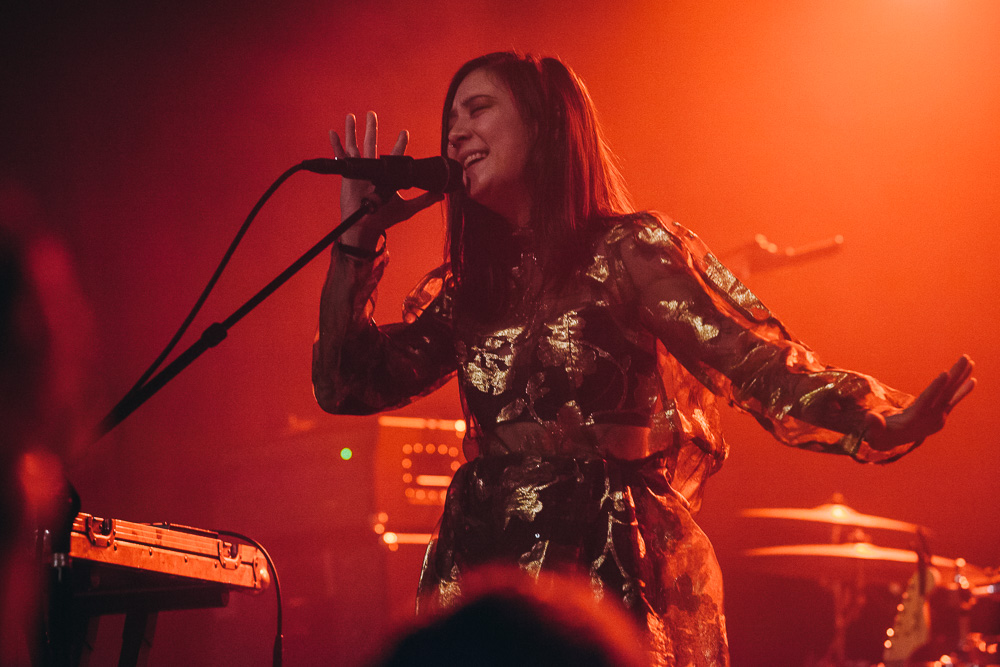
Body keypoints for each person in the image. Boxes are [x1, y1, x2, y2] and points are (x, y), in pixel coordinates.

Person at [312, 51, 975, 666]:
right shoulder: (469, 289)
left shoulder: (628, 250)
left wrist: (873, 418)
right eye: (450, 117)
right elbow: (348, 384)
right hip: (484, 546)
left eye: (477, 108)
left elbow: (746, 355)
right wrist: (354, 246)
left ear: (545, 127)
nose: (454, 133)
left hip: (597, 545)